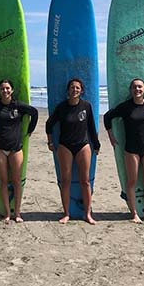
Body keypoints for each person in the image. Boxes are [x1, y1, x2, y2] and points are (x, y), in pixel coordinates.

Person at [0, 79, 39, 223]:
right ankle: (6, 214)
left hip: (16, 148)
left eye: (8, 88)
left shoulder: (18, 106)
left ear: (12, 90)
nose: (5, 91)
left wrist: (30, 130)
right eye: (3, 89)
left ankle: (17, 213)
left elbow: (34, 113)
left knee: (16, 181)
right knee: (3, 181)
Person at [104, 78, 144, 223]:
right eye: (134, 87)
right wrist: (111, 136)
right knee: (131, 181)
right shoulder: (126, 107)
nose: (137, 89)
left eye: (140, 87)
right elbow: (107, 117)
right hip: (131, 150)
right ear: (131, 90)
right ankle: (134, 214)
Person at [46, 78, 101, 225]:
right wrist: (50, 141)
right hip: (65, 146)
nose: (74, 90)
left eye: (77, 88)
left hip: (83, 145)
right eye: (72, 87)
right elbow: (49, 124)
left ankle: (88, 214)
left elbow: (91, 128)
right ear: (68, 90)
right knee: (65, 181)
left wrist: (96, 145)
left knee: (85, 181)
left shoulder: (86, 106)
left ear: (81, 90)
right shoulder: (62, 107)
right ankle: (66, 213)